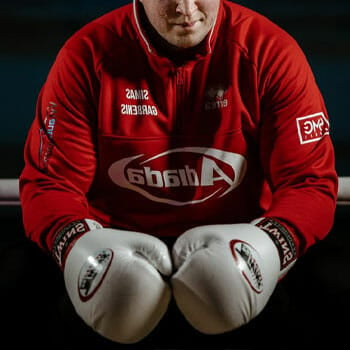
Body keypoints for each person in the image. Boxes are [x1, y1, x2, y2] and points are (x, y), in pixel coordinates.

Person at [17, 0, 338, 348]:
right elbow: (50, 184)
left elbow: (309, 182)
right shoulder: (86, 56)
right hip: (115, 253)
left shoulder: (270, 51)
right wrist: (78, 246)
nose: (186, 8)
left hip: (242, 252)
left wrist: (273, 245)